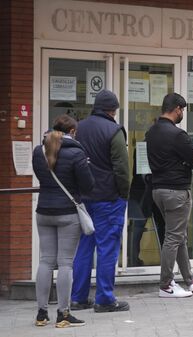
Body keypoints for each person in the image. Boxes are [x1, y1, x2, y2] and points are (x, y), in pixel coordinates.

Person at [146, 93, 193, 298]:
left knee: (178, 235)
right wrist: (183, 163)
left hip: (158, 190)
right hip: (176, 191)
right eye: (182, 109)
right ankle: (166, 284)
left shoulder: (151, 132)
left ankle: (190, 280)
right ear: (176, 109)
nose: (182, 113)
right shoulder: (177, 135)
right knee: (174, 237)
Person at [71, 90, 130, 313]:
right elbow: (122, 169)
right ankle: (104, 298)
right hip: (108, 198)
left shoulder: (79, 127)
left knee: (84, 247)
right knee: (107, 248)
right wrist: (124, 193)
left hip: (84, 199)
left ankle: (78, 298)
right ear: (113, 109)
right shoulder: (114, 130)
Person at [32, 115, 94, 327]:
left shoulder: (38, 151)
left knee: (46, 261)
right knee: (66, 263)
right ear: (73, 132)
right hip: (68, 213)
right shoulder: (77, 153)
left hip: (43, 211)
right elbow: (88, 185)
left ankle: (41, 314)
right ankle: (63, 314)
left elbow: (42, 177)